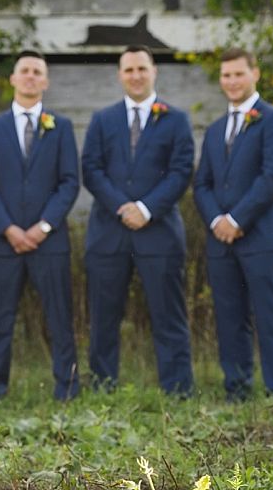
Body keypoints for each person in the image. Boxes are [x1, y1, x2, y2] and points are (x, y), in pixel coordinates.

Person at [82, 45, 195, 396]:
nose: (136, 76)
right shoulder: (102, 120)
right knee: (104, 316)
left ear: (154, 71)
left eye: (142, 69)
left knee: (168, 315)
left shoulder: (176, 120)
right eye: (129, 70)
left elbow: (181, 171)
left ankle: (178, 389)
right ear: (120, 75)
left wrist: (146, 209)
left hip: (159, 232)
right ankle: (103, 387)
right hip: (109, 233)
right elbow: (91, 169)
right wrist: (122, 207)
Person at [193, 47, 273, 401]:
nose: (232, 81)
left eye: (239, 73)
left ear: (255, 74)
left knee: (270, 318)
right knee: (229, 318)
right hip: (221, 240)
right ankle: (236, 391)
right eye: (226, 75)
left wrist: (237, 219)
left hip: (264, 238)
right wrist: (217, 221)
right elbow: (202, 184)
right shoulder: (215, 130)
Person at [0, 50, 81, 401]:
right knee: (1, 318)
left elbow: (69, 182)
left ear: (46, 82)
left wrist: (44, 226)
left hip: (49, 242)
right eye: (25, 70)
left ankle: (67, 387)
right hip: (4, 242)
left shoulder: (60, 127)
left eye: (37, 72)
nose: (31, 76)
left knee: (59, 316)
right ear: (13, 78)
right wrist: (8, 228)